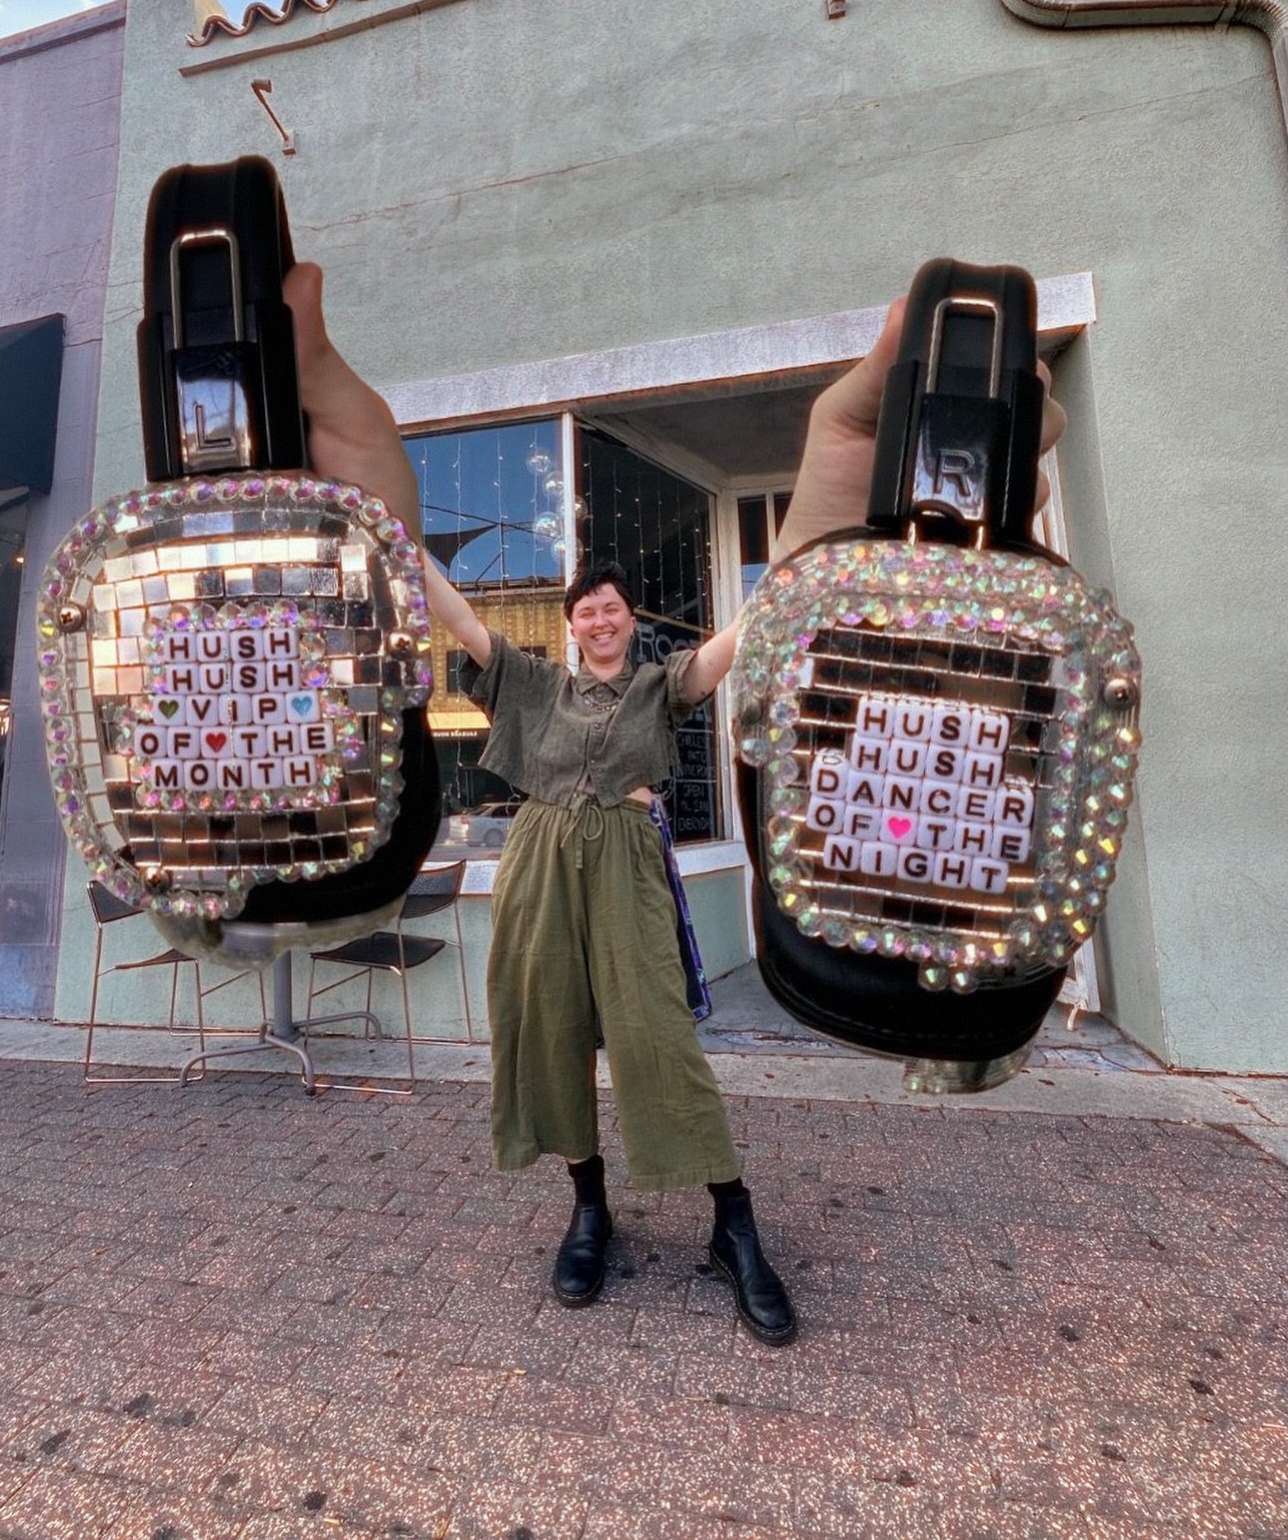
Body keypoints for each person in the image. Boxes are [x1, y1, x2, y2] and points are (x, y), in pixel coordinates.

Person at [282, 265, 1065, 1345]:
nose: (599, 619)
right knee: (546, 1030)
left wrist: (806, 572)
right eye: (585, 609)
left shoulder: (662, 685)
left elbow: (743, 637)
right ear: (571, 625)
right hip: (539, 857)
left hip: (627, 861)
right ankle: (588, 1208)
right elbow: (456, 617)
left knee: (657, 1038)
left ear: (628, 621)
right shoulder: (532, 685)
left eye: (610, 607)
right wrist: (392, 536)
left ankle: (731, 1219)